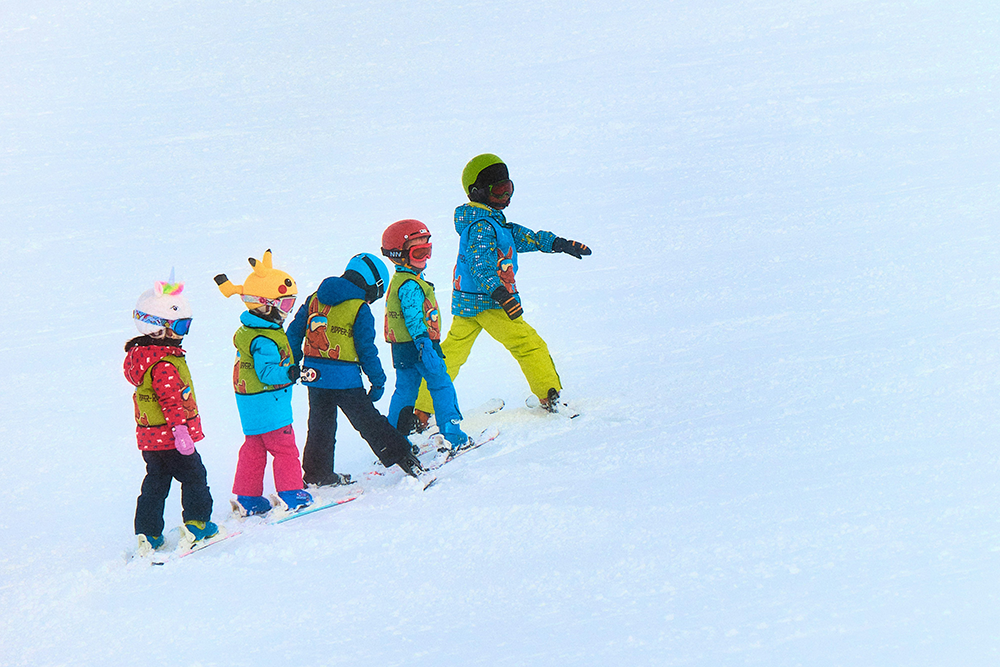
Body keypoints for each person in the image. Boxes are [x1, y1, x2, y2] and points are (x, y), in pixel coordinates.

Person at [411, 154, 591, 429]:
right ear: (477, 191)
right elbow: (480, 264)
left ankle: (422, 410)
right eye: (498, 190)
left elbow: (524, 236)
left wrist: (559, 244)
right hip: (490, 303)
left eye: (509, 188)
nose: (506, 195)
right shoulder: (482, 226)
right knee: (528, 345)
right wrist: (500, 294)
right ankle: (550, 395)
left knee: (451, 353)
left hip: (467, 301)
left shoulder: (492, 221)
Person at [286, 252, 425, 483]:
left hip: (314, 376)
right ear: (372, 285)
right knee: (368, 421)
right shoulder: (360, 308)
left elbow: (293, 333)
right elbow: (366, 349)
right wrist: (377, 380)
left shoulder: (314, 299)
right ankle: (403, 456)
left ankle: (318, 473)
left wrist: (292, 363)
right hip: (345, 380)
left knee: (320, 426)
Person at [124, 275, 218, 553]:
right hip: (173, 438)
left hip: (150, 439)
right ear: (157, 329)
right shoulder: (164, 363)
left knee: (156, 481)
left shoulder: (143, 357)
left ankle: (148, 533)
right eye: (179, 325)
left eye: (186, 325)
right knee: (195, 477)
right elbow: (171, 402)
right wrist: (181, 433)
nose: (183, 332)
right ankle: (198, 525)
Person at [215, 250, 313, 515]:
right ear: (262, 304)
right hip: (270, 403)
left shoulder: (250, 331)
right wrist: (290, 373)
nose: (287, 312)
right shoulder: (265, 339)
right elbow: (267, 373)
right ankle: (292, 494)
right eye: (283, 305)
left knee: (254, 448)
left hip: (250, 404)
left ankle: (248, 497)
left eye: (290, 304)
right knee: (284, 449)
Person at [381, 219, 469, 450]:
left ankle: (393, 441)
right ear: (398, 255)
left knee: (405, 391)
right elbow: (412, 317)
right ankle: (453, 434)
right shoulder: (410, 285)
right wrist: (424, 344)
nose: (426, 258)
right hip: (421, 346)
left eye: (428, 251)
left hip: (402, 348)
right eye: (419, 252)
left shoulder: (401, 280)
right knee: (441, 385)